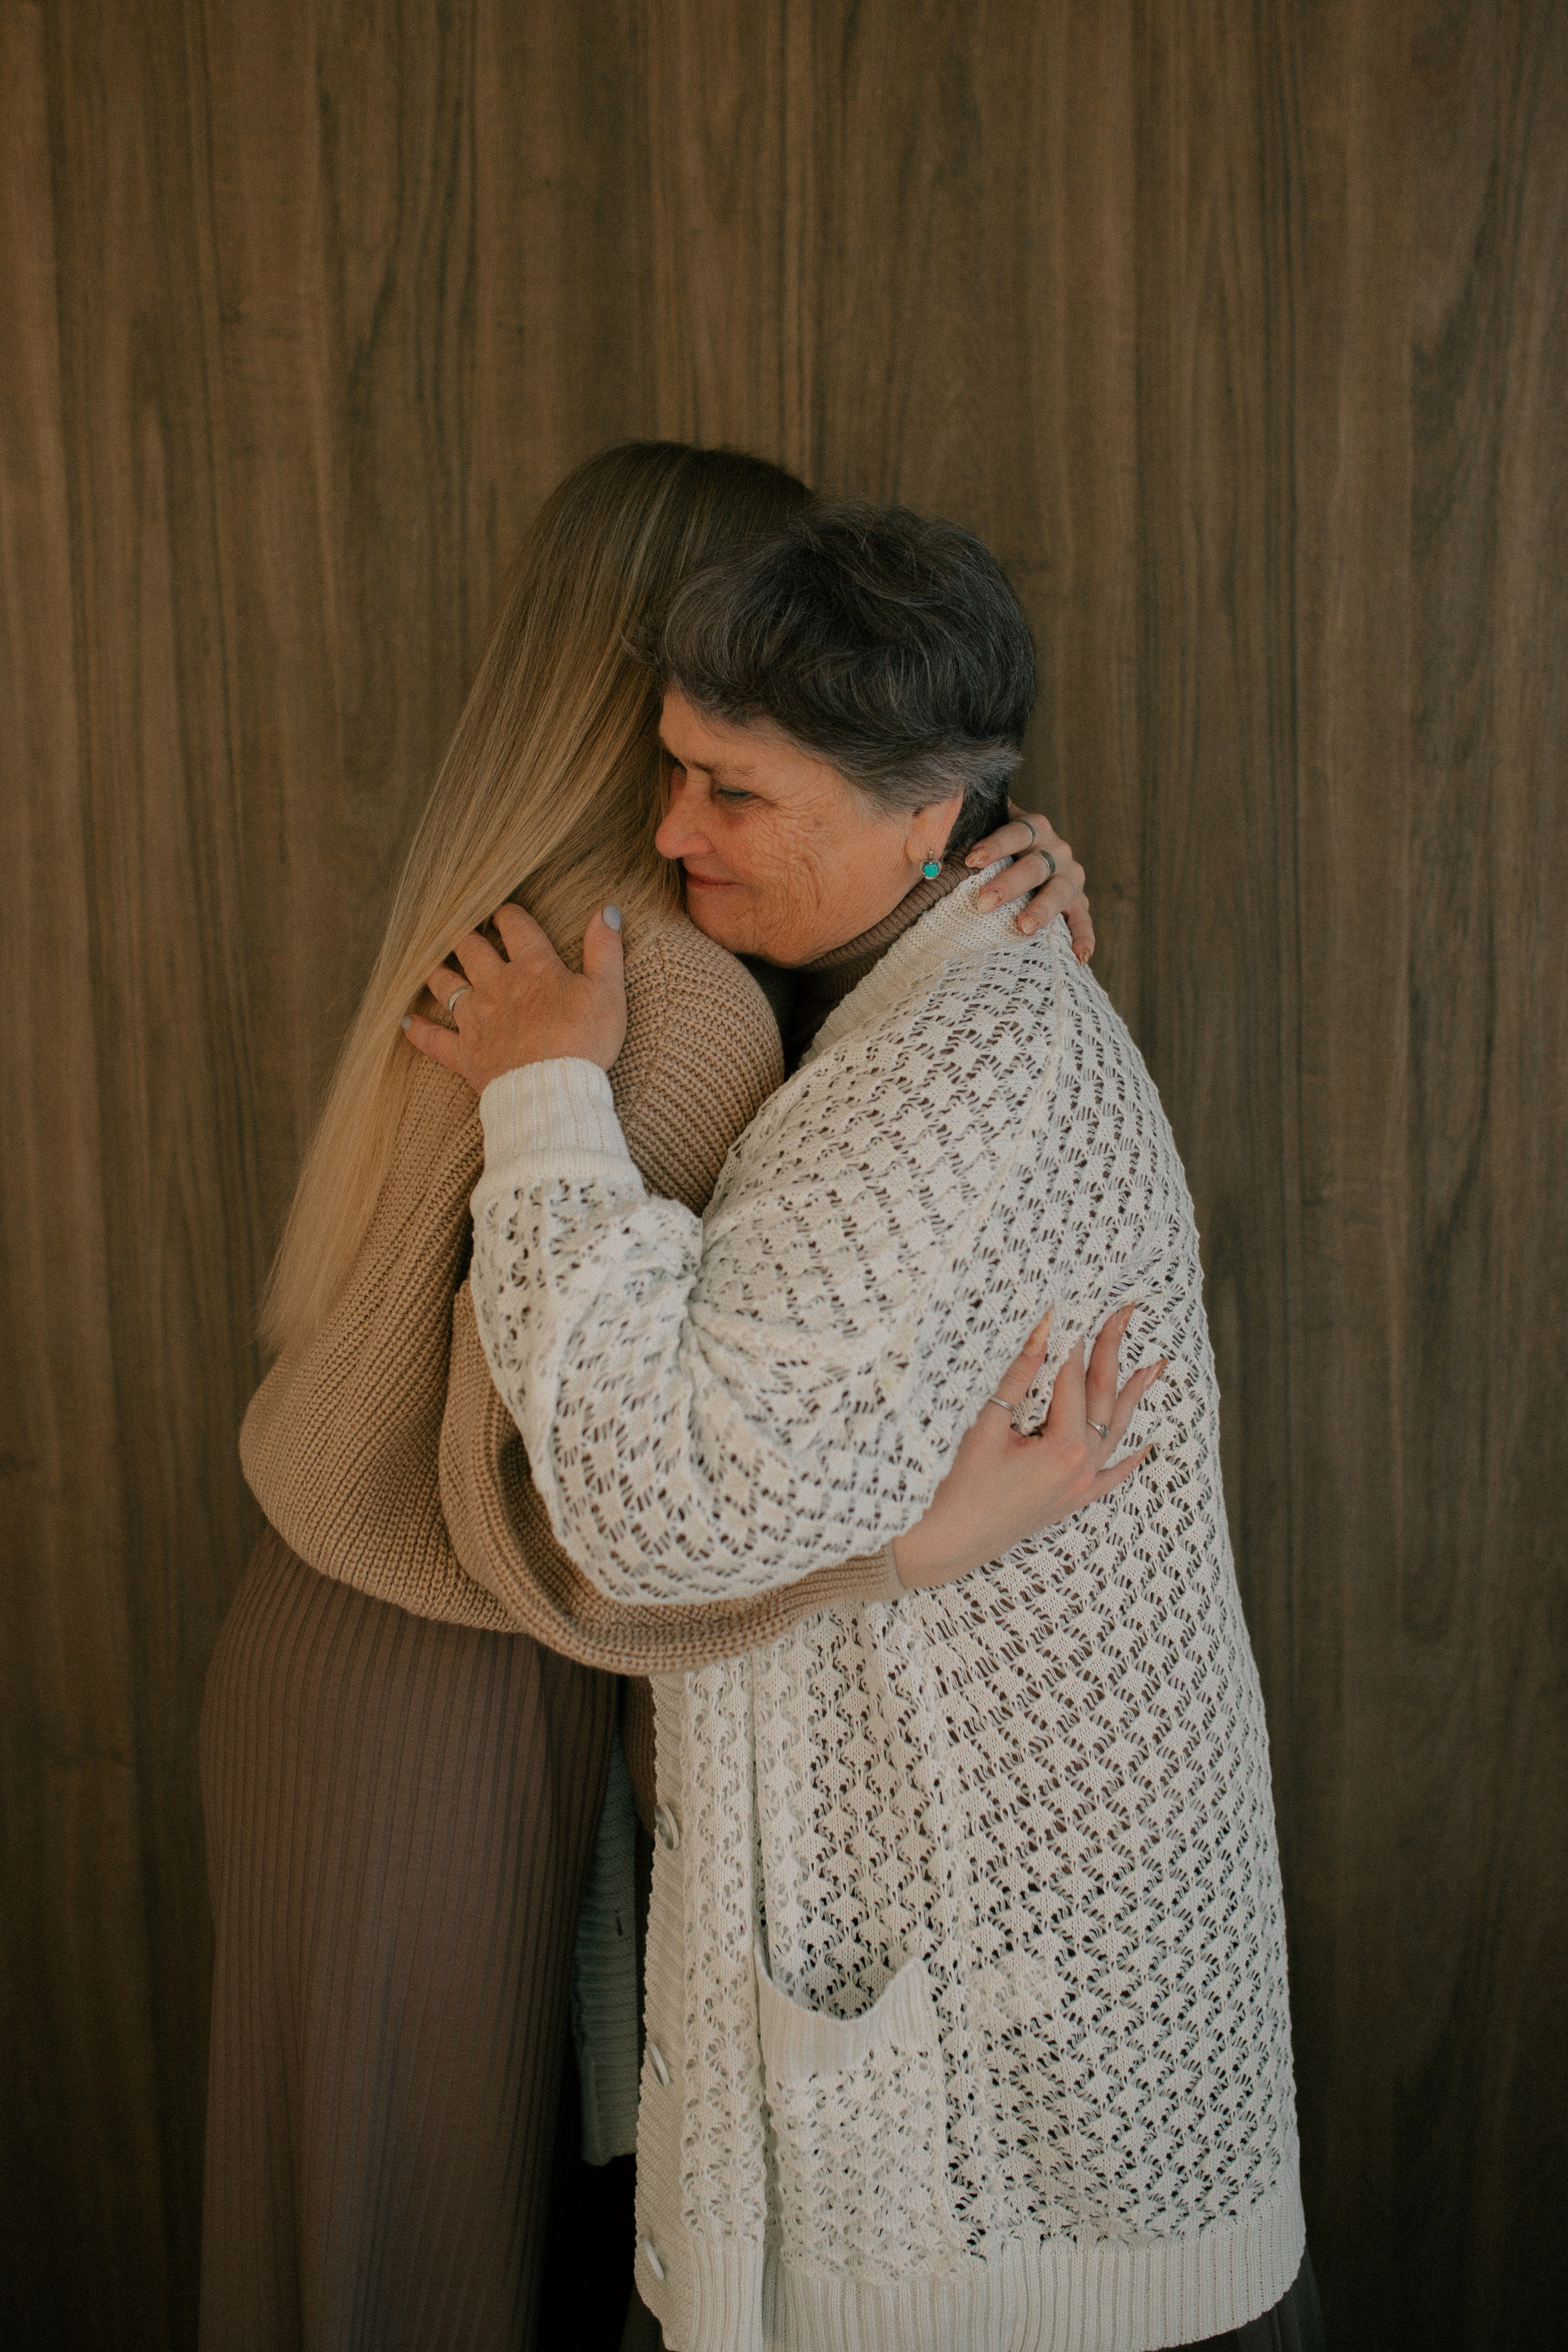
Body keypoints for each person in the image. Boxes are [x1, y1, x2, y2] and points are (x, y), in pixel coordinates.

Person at [200, 442, 1118, 2352]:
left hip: (368, 1647)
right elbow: (606, 1515)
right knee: (408, 2272)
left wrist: (973, 846)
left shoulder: (545, 918)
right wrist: (900, 1551)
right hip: (450, 1668)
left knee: (367, 2247)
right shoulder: (667, 994)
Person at [408, 504, 1322, 2352]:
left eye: (734, 791)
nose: (675, 831)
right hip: (1016, 1939)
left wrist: (545, 1103)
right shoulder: (936, 978)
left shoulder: (964, 1053)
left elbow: (662, 1506)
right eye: (673, 769)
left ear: (931, 810)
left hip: (1011, 1987)